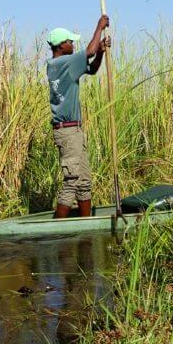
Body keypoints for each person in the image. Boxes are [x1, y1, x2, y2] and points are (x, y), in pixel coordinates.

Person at [46, 15, 111, 218]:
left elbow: (91, 68)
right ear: (61, 46)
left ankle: (86, 225)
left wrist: (100, 53)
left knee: (84, 182)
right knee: (72, 180)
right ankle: (57, 231)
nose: (73, 44)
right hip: (68, 131)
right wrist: (99, 27)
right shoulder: (63, 63)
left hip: (72, 130)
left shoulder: (60, 64)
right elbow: (89, 51)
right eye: (70, 42)